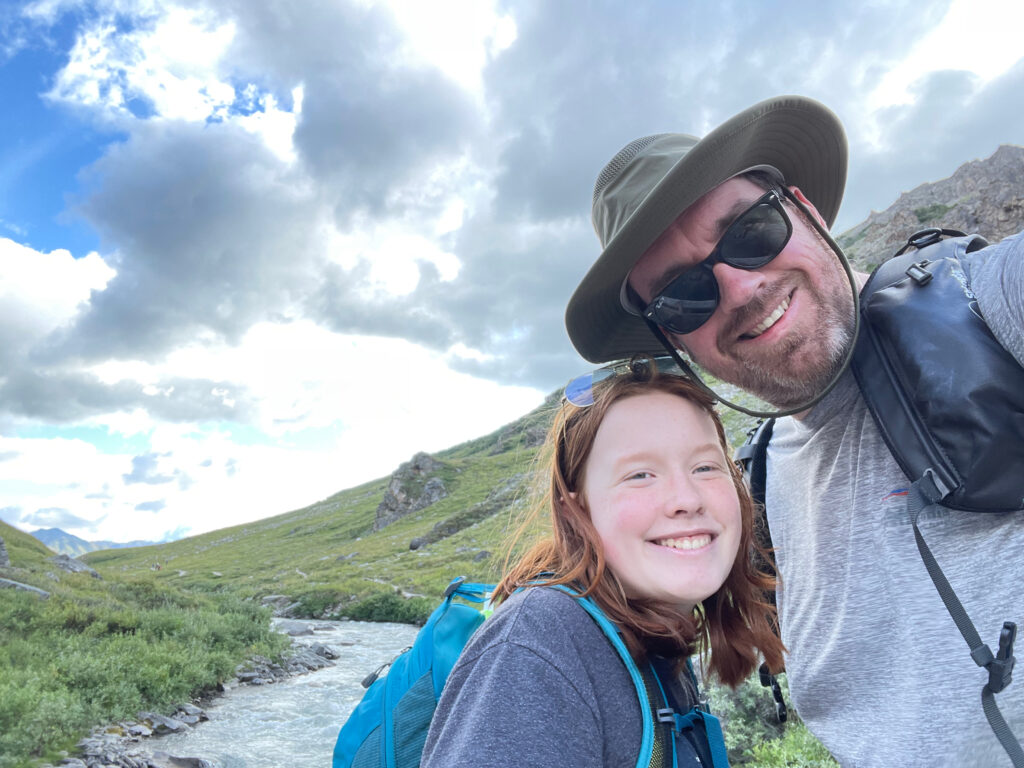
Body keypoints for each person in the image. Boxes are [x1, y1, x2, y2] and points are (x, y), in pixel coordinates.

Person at [564, 95, 1024, 767]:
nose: (739, 288)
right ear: (672, 336)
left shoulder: (990, 304)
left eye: (750, 232)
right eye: (685, 293)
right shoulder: (763, 483)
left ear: (802, 207)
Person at [421, 362, 785, 768]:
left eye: (705, 467)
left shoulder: (651, 634)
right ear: (578, 509)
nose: (687, 498)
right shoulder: (536, 646)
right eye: (640, 474)